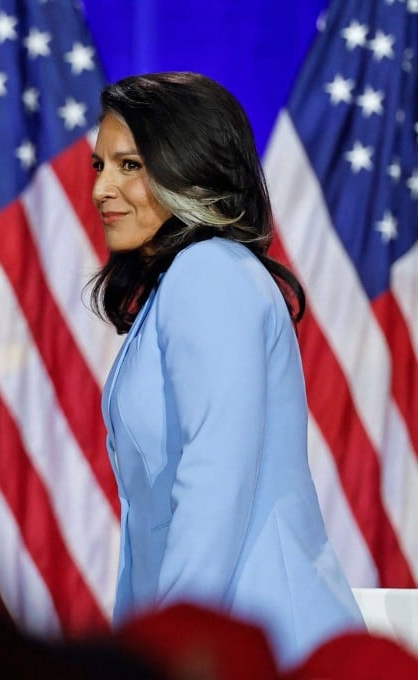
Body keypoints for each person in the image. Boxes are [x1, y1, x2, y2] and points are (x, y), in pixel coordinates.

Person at [88, 71, 364, 669]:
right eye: (99, 166)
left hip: (253, 641)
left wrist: (169, 649)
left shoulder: (208, 272)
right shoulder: (182, 284)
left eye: (129, 165)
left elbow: (215, 481)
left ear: (189, 169)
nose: (102, 189)